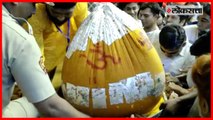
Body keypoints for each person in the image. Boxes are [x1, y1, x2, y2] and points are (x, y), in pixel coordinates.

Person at [2, 2, 90, 117]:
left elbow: (86, 36)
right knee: (35, 104)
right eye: (34, 4)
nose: (34, 10)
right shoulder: (20, 36)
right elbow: (50, 106)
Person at [24, 2, 88, 81]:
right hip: (44, 55)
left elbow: (85, 33)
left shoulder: (80, 4)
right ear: (46, 4)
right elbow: (36, 54)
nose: (60, 18)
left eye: (67, 13)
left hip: (63, 48)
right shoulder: (35, 13)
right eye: (55, 12)